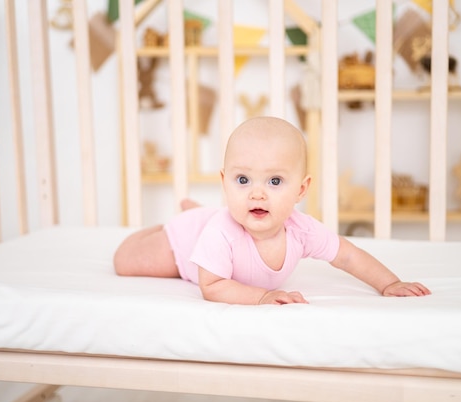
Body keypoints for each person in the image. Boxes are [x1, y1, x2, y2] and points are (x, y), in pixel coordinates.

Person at [113, 116, 431, 305]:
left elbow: (348, 255)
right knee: (125, 262)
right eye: (242, 179)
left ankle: (194, 212)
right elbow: (211, 286)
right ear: (225, 182)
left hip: (206, 226)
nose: (257, 193)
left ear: (301, 190)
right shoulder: (222, 231)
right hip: (183, 245)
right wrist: (261, 298)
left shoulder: (302, 229)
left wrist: (389, 283)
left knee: (207, 219)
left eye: (275, 180)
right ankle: (175, 222)